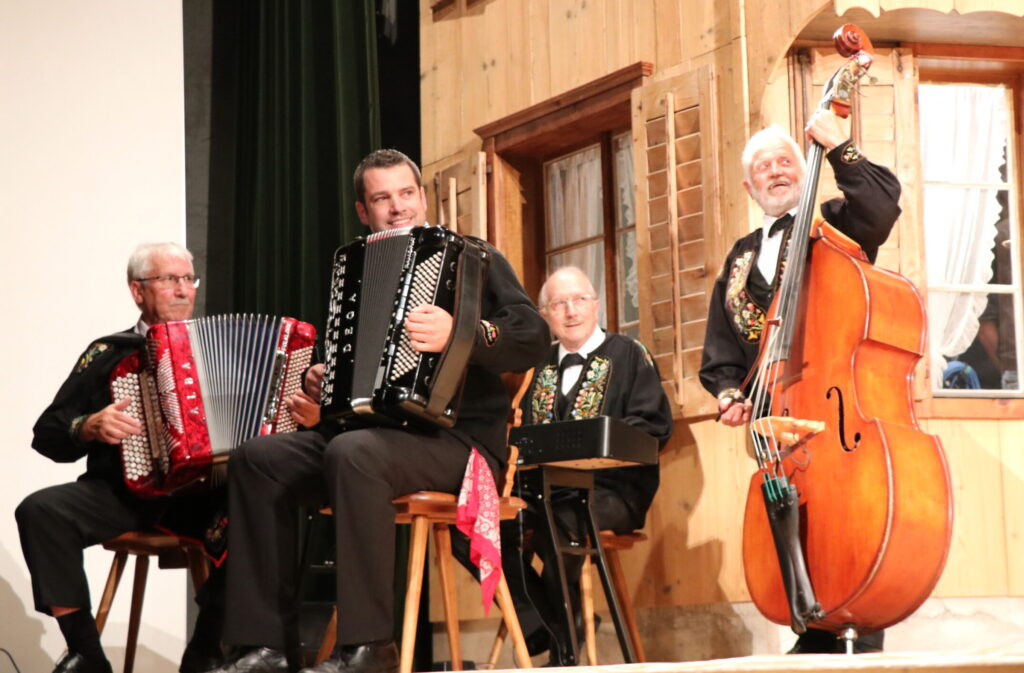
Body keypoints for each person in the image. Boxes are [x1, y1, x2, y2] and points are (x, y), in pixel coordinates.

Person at [207, 149, 550, 673]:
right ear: (363, 211)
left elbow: (532, 337)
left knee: (354, 453)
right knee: (258, 459)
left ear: (422, 197)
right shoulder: (355, 267)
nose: (398, 207)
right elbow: (353, 362)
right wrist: (322, 380)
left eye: (406, 193)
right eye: (382, 198)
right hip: (372, 438)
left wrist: (460, 333)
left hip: (459, 445)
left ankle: (369, 648)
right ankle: (267, 647)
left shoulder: (472, 258)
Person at [699, 110, 900, 654]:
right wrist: (729, 394)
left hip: (838, 404)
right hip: (777, 413)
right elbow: (721, 350)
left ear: (803, 169)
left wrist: (839, 148)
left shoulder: (833, 225)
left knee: (847, 512)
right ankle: (809, 623)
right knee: (793, 516)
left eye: (785, 161)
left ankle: (859, 623)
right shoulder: (739, 257)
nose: (776, 172)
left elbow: (882, 209)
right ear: (749, 187)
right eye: (763, 167)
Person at [16, 242, 230, 673]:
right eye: (168, 279)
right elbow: (48, 433)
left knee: (259, 513)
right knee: (40, 510)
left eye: (188, 279)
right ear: (137, 291)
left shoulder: (221, 349)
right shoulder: (109, 352)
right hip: (122, 494)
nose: (183, 290)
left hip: (198, 497)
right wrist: (88, 425)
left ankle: (206, 652)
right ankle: (86, 655)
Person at [504, 266, 673, 664]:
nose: (571, 311)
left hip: (613, 492)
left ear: (596, 305)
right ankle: (546, 624)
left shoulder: (629, 353)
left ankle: (563, 654)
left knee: (559, 520)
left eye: (579, 300)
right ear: (544, 315)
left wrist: (597, 446)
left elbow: (654, 429)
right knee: (480, 527)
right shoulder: (537, 366)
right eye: (559, 304)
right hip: (542, 492)